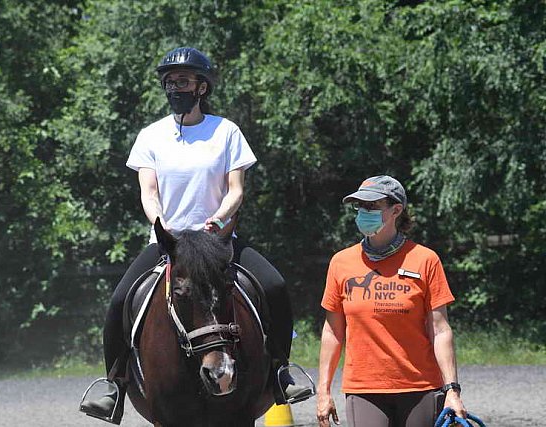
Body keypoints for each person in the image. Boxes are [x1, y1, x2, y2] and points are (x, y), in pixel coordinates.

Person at [80, 47, 311, 424]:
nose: (175, 88)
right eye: (170, 82)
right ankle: (115, 385)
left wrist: (220, 218)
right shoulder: (151, 136)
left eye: (183, 81)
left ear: (202, 87)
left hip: (217, 242)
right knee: (119, 300)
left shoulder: (225, 131)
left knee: (274, 285)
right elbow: (148, 192)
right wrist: (161, 224)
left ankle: (281, 373)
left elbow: (236, 189)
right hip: (168, 243)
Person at [316, 175, 467, 427]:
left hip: (420, 388)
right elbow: (332, 332)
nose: (364, 212)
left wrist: (453, 391)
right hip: (365, 388)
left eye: (372, 206)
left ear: (396, 210)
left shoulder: (425, 260)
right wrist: (323, 391)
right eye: (360, 206)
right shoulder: (341, 263)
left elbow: (440, 331)